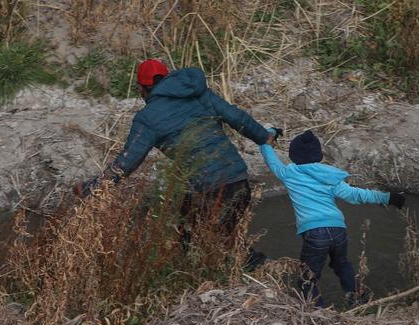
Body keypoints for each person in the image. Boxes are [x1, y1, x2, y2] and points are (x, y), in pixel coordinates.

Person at [75, 59, 274, 265]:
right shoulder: (200, 94)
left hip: (211, 190)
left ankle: (254, 269)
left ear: (141, 88)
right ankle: (216, 271)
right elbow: (237, 117)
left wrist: (92, 188)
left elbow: (126, 163)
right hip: (239, 180)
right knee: (197, 229)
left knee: (212, 240)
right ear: (168, 76)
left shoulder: (147, 118)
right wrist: (264, 136)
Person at [260, 129, 405, 307]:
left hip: (314, 234)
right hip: (338, 230)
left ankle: (318, 314)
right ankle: (359, 299)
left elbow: (270, 159)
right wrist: (388, 197)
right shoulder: (329, 177)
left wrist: (268, 134)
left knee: (308, 279)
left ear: (293, 155)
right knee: (341, 264)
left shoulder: (289, 174)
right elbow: (356, 195)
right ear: (318, 156)